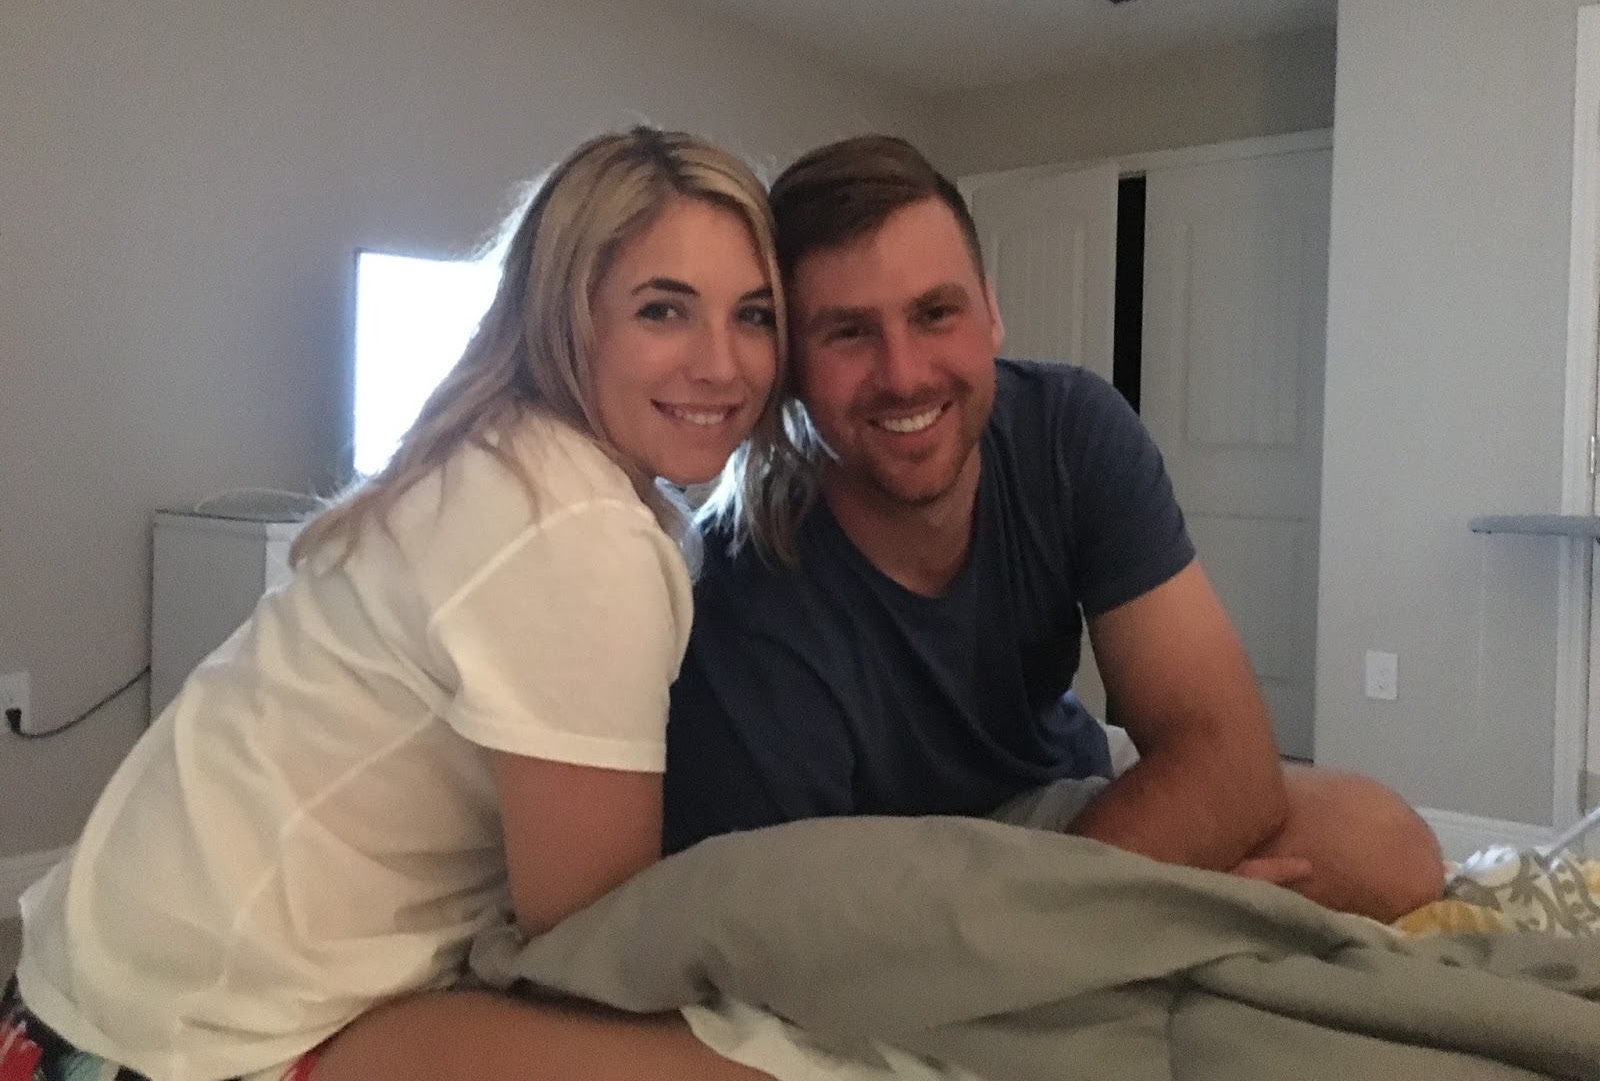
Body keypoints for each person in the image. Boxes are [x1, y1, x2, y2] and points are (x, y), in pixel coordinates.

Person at [3, 127, 783, 1081]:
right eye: (664, 310)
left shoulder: (500, 456)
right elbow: (591, 946)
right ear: (565, 316)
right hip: (182, 1042)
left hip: (78, 989)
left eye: (754, 315)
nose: (723, 365)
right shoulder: (573, 527)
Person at [665, 133, 1446, 925]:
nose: (904, 374)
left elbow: (1227, 753)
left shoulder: (1068, 430)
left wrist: (1105, 894)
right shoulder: (740, 581)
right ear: (791, 366)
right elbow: (788, 928)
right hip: (892, 873)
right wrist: (1159, 905)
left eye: (935, 313)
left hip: (1061, 808)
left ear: (991, 314)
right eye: (849, 332)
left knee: (1383, 845)